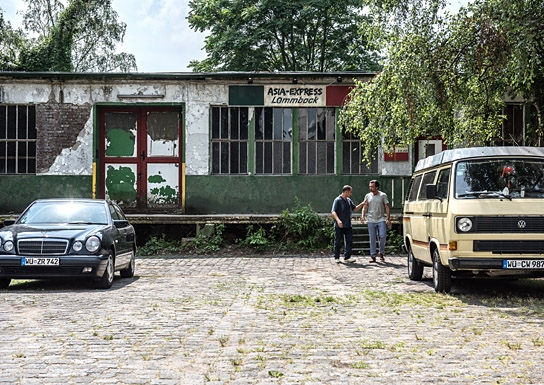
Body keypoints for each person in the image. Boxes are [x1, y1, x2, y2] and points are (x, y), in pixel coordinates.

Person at [331, 185, 364, 263]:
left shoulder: (349, 200)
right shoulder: (337, 200)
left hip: (348, 225)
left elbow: (355, 208)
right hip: (339, 225)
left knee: (349, 241)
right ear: (346, 191)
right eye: (350, 192)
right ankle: (337, 257)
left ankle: (347, 257)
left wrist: (362, 203)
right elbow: (333, 212)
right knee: (338, 241)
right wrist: (338, 220)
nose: (351, 194)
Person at [361, 180, 391, 263]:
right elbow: (365, 207)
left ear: (377, 187)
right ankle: (373, 255)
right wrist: (363, 216)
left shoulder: (383, 195)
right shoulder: (368, 196)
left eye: (372, 187)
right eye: (370, 186)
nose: (371, 188)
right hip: (371, 219)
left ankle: (381, 252)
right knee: (372, 238)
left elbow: (387, 207)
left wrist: (388, 218)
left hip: (381, 218)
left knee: (383, 235)